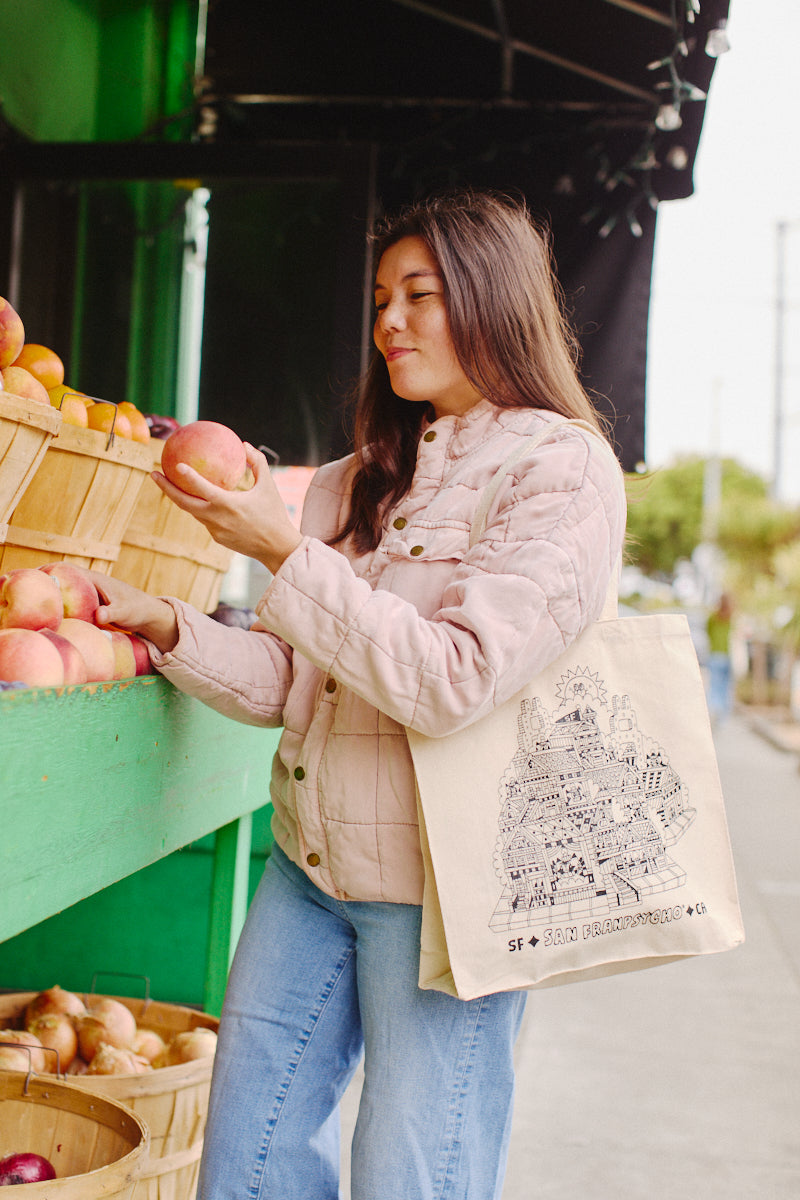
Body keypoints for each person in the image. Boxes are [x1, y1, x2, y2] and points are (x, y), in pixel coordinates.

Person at [85, 189, 627, 1200]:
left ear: (493, 301)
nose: (387, 323)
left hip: (443, 901)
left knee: (410, 1182)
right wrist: (168, 626)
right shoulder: (359, 479)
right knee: (246, 1167)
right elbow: (299, 682)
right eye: (380, 299)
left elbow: (450, 680)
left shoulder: (562, 473)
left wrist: (282, 553)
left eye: (418, 296)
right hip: (309, 870)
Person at [706, 592, 734, 723]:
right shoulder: (730, 617)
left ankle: (715, 708)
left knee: (715, 684)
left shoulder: (713, 617)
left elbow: (708, 632)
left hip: (715, 655)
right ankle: (722, 715)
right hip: (726, 655)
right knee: (724, 685)